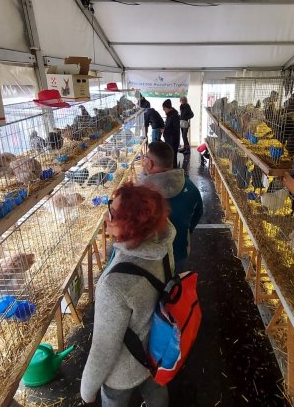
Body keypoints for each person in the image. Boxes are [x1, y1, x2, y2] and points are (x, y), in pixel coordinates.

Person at [81, 183, 175, 407]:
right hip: (157, 349)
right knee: (156, 388)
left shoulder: (114, 285)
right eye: (109, 207)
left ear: (131, 227)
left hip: (124, 371)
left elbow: (104, 348)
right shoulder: (162, 244)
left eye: (112, 213)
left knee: (114, 399)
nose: (105, 215)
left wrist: (87, 391)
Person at [140, 141, 203, 273]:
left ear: (150, 163)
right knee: (177, 282)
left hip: (151, 258)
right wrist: (186, 230)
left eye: (145, 158)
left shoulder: (141, 193)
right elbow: (198, 212)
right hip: (180, 251)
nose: (143, 161)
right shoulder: (190, 187)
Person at [161, 99, 180, 168]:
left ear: (167, 108)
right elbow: (169, 126)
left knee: (173, 156)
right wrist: (165, 129)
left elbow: (175, 129)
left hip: (172, 140)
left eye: (164, 109)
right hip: (170, 139)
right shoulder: (170, 114)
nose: (164, 111)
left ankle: (173, 170)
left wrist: (165, 131)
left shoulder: (174, 115)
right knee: (171, 156)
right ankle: (171, 169)